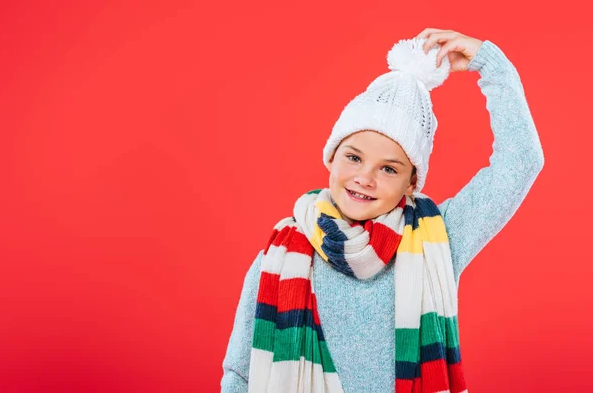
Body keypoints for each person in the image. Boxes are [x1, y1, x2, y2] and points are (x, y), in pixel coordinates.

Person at [220, 28, 544, 393]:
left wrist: (491, 64)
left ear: (411, 183)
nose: (365, 178)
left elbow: (520, 162)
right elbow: (240, 374)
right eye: (353, 157)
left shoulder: (438, 238)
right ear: (331, 156)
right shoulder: (277, 258)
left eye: (388, 168)